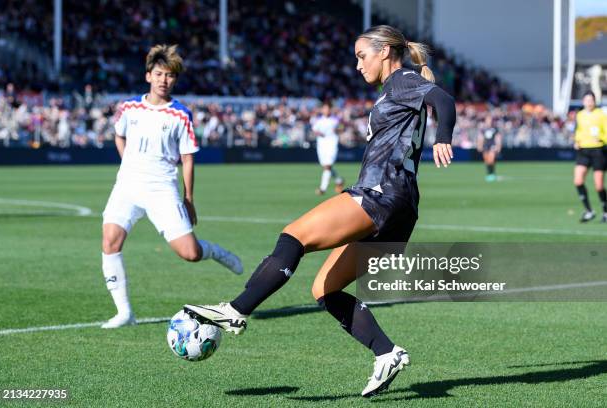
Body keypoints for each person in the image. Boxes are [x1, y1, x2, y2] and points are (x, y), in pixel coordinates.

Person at [184, 25, 456, 397]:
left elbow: (444, 101)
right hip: (403, 207)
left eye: (362, 56)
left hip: (381, 194)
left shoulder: (401, 80)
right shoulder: (396, 87)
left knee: (293, 236)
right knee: (325, 288)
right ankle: (387, 352)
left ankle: (236, 310)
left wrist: (444, 138)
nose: (357, 65)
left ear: (386, 52)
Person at [101, 45, 243, 329]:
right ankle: (124, 313)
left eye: (169, 76)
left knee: (189, 253)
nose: (164, 80)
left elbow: (187, 159)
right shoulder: (128, 108)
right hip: (127, 186)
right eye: (159, 74)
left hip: (161, 188)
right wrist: (128, 163)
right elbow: (119, 137)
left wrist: (189, 198)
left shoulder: (180, 114)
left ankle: (214, 251)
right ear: (148, 76)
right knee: (110, 243)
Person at [573, 91, 607, 223]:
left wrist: (602, 138)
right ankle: (589, 211)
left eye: (591, 100)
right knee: (578, 181)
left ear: (594, 101)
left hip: (598, 151)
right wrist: (576, 141)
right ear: (583, 102)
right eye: (586, 100)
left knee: (598, 185)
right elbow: (578, 131)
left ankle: (605, 211)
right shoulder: (580, 115)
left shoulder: (601, 114)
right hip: (583, 151)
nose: (589, 102)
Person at [311, 102, 345, 194]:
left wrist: (337, 130)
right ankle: (339, 180)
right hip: (321, 145)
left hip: (332, 144)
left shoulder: (335, 120)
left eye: (328, 108)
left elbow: (342, 128)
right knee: (326, 166)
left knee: (327, 166)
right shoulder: (318, 120)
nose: (326, 110)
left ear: (330, 109)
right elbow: (314, 130)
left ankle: (322, 189)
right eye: (325, 108)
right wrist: (318, 133)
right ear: (322, 110)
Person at [476, 115, 502, 182]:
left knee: (491, 159)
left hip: (492, 146)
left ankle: (492, 173)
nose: (489, 122)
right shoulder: (483, 129)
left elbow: (498, 138)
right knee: (486, 160)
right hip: (485, 146)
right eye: (488, 120)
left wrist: (498, 146)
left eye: (490, 120)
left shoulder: (495, 129)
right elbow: (480, 138)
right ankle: (489, 173)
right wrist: (479, 145)